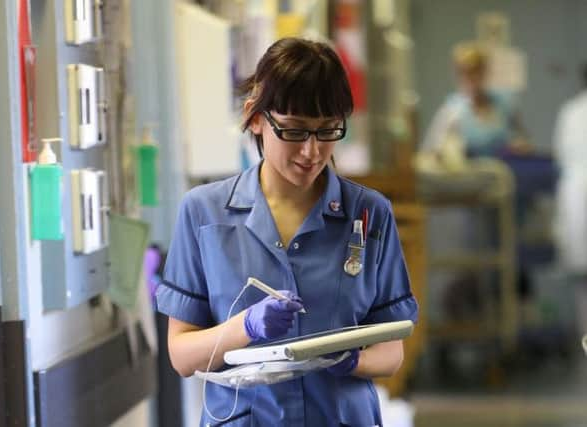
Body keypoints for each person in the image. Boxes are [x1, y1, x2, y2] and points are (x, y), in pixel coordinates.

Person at [155, 37, 418, 426]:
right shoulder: (204, 214)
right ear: (256, 118)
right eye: (295, 131)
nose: (312, 151)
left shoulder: (368, 214)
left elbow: (392, 351)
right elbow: (181, 355)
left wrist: (350, 359)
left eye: (328, 131)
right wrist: (244, 327)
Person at [422, 42, 531, 158]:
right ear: (458, 75)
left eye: (476, 72)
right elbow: (432, 152)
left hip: (501, 172)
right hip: (468, 174)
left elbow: (524, 140)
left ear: (485, 72)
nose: (471, 78)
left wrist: (520, 146)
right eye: (465, 73)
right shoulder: (452, 111)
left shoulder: (504, 103)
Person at [552, 63, 587, 334]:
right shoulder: (572, 112)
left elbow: (559, 155)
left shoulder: (570, 112)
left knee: (581, 278)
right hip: (576, 193)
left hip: (574, 194)